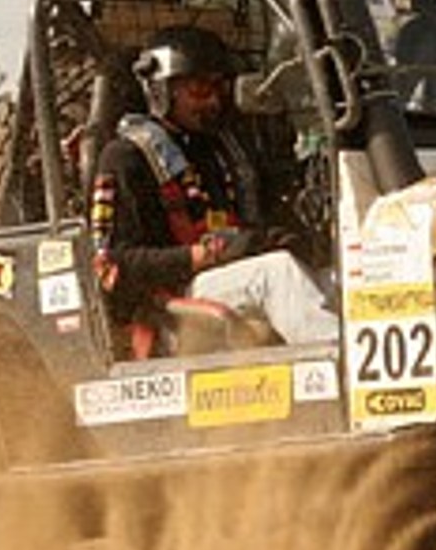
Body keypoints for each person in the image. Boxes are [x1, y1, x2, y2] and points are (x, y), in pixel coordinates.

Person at [89, 24, 336, 350]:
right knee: (277, 274)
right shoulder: (127, 157)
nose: (214, 102)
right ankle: (346, 363)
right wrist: (203, 255)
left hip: (233, 278)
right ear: (163, 91)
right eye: (200, 91)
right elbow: (114, 264)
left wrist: (276, 238)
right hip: (174, 300)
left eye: (220, 89)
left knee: (339, 275)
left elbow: (248, 224)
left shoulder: (223, 149)